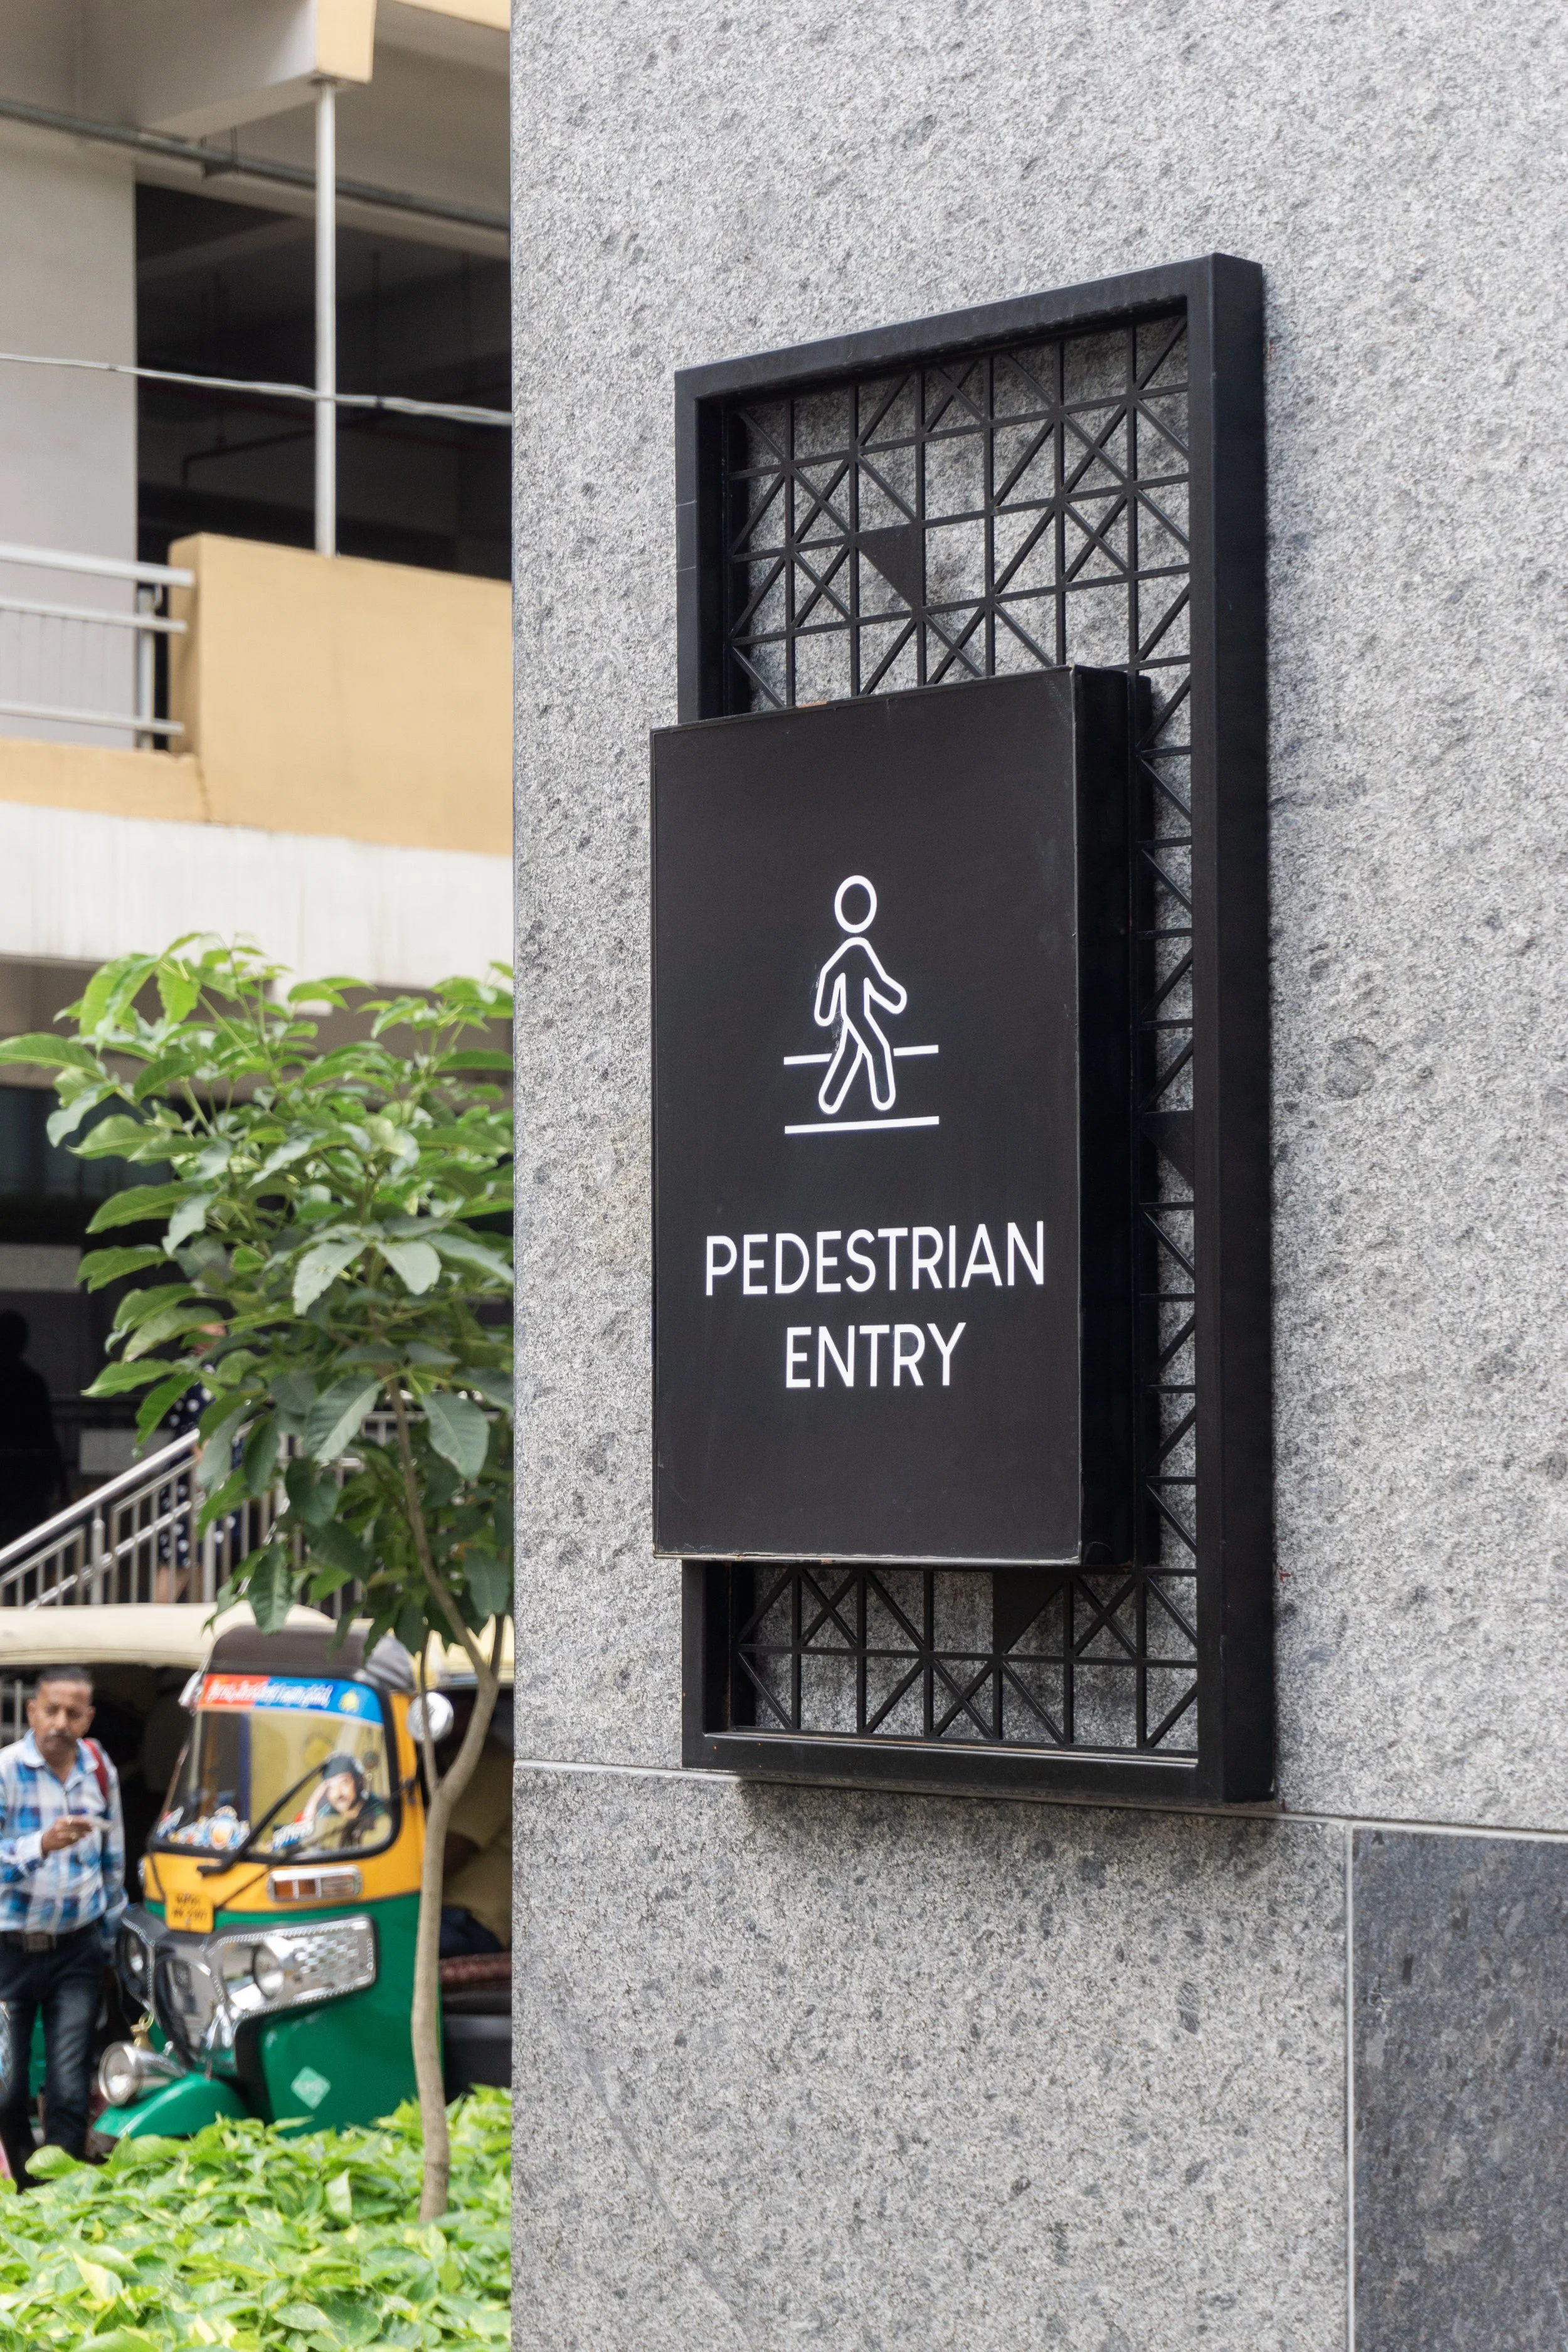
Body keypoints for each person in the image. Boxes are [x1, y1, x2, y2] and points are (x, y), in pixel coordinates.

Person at [0, 1665, 125, 2185]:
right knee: (6, 2089)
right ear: (32, 1711)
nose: (60, 1721)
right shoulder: (6, 1770)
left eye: (73, 1713)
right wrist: (40, 1847)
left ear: (88, 1718)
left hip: (77, 1949)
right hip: (10, 1950)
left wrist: (111, 1942)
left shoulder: (99, 1769)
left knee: (70, 2086)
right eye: (51, 1709)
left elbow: (112, 1859)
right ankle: (30, 2178)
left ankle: (61, 2193)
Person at [440, 1712, 512, 1959]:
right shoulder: (445, 1762)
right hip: (442, 1911)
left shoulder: (491, 1763)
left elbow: (446, 1855)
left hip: (471, 1919)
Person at [0, 1311, 64, 1545]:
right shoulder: (31, 1382)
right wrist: (61, 1482)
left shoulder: (32, 1382)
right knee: (26, 1543)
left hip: (24, 1475)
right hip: (28, 1475)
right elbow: (47, 1433)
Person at [273, 1754, 389, 1854]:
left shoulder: (381, 1810)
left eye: (344, 1783)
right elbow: (301, 1836)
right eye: (331, 1787)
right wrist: (313, 1804)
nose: (338, 1793)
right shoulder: (327, 1813)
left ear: (360, 1782)